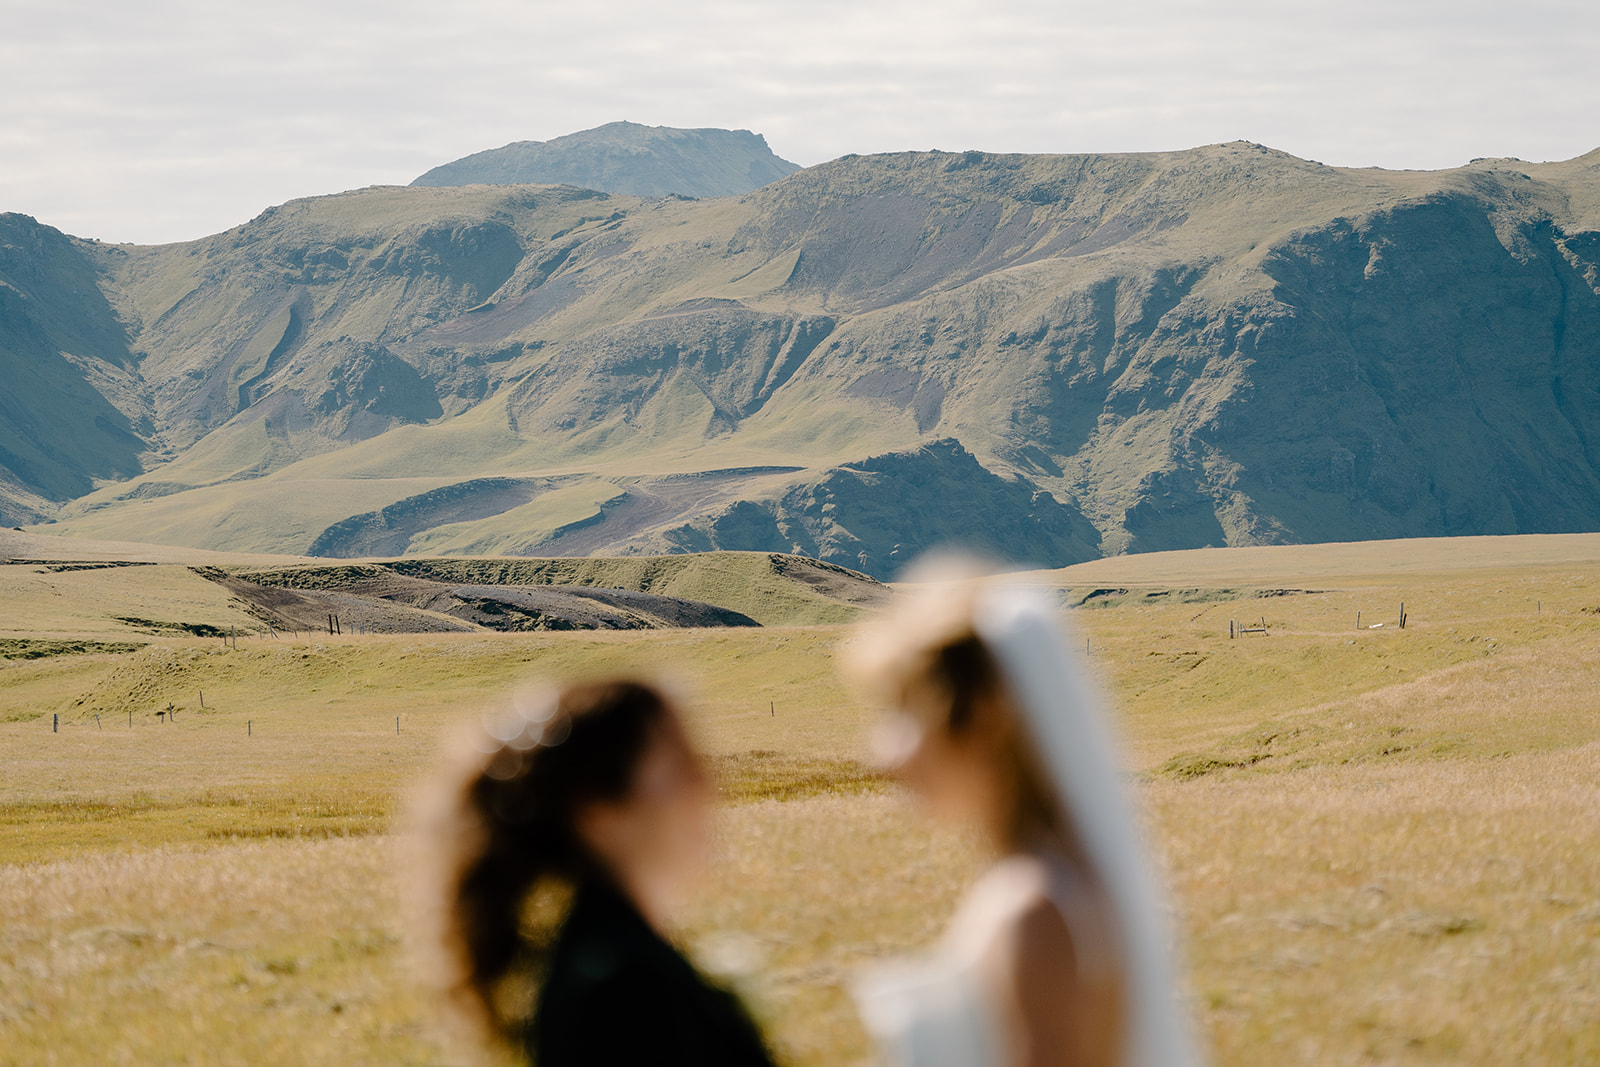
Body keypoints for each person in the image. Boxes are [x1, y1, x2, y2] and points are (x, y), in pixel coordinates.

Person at [846, 563, 1200, 1067]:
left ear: (986, 717)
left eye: (906, 711)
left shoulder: (1031, 913)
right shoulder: (1062, 885)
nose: (882, 755)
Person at [412, 679, 776, 1067]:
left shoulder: (614, 953)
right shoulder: (620, 986)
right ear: (596, 810)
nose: (706, 786)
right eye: (681, 766)